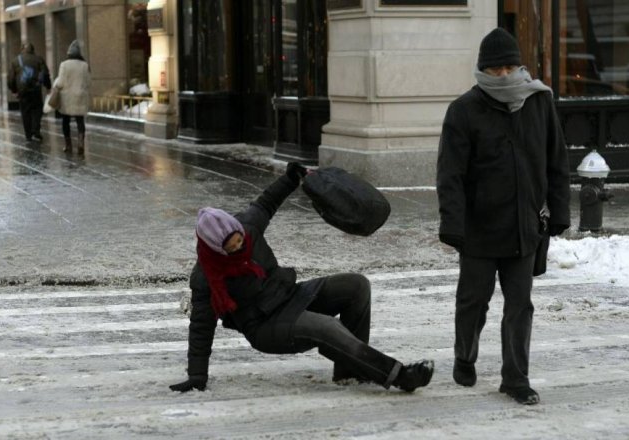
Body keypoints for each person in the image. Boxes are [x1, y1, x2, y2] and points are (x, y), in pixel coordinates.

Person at [170, 163, 434, 394]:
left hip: (290, 295)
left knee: (356, 286)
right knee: (326, 327)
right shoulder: (206, 275)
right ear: (216, 248)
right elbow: (201, 326)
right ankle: (398, 375)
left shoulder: (248, 226)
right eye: (231, 247)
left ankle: (351, 371)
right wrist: (197, 376)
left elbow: (267, 201)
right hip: (264, 325)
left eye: (240, 240)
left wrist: (290, 178)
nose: (239, 247)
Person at [436, 28, 570, 405]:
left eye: (510, 68)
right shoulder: (463, 110)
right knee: (473, 302)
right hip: (479, 230)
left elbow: (556, 160)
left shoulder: (539, 102)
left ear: (519, 66)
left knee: (520, 307)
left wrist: (559, 211)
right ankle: (465, 356)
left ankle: (515, 378)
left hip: (524, 227)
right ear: (483, 70)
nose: (504, 76)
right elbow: (450, 174)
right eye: (496, 70)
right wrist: (452, 224)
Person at [53, 40, 91, 153]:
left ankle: (68, 145)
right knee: (80, 121)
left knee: (65, 121)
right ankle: (80, 143)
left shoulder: (64, 65)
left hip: (67, 98)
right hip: (80, 96)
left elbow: (60, 82)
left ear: (69, 53)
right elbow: (88, 82)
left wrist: (56, 86)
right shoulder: (85, 65)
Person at [8, 43, 51, 142]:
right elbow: (45, 73)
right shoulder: (39, 59)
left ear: (22, 49)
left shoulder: (15, 61)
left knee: (25, 112)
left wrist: (14, 90)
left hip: (22, 90)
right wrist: (48, 86)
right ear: (33, 50)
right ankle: (36, 130)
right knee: (37, 110)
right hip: (36, 89)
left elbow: (11, 78)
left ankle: (28, 134)